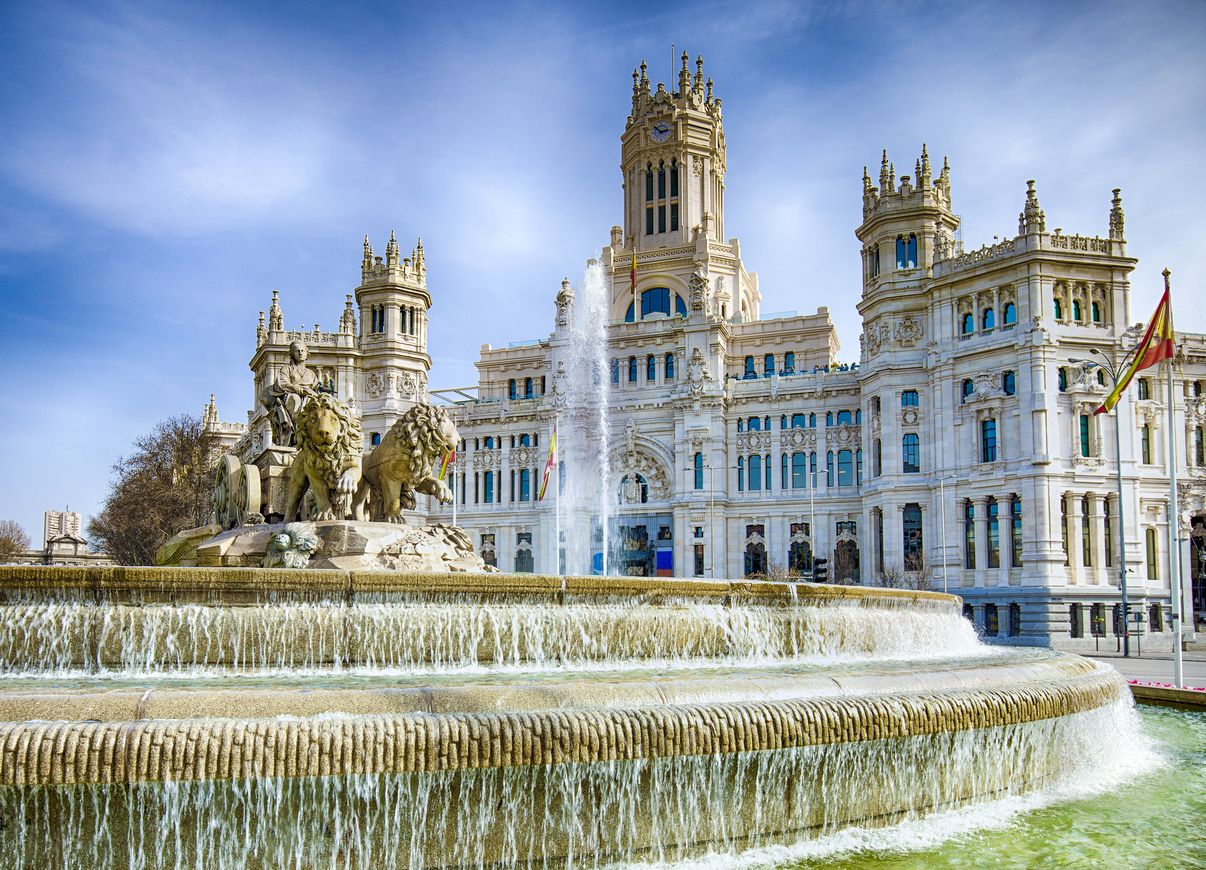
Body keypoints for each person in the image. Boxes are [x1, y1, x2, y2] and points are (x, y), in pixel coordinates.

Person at [263, 340, 320, 446]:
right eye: (297, 351)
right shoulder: (286, 369)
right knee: (295, 399)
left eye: (302, 350)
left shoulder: (311, 374)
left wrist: (316, 391)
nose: (300, 353)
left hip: (309, 397)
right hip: (290, 395)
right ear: (292, 354)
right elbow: (281, 383)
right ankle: (297, 432)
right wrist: (295, 387)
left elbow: (316, 389)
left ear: (307, 353)